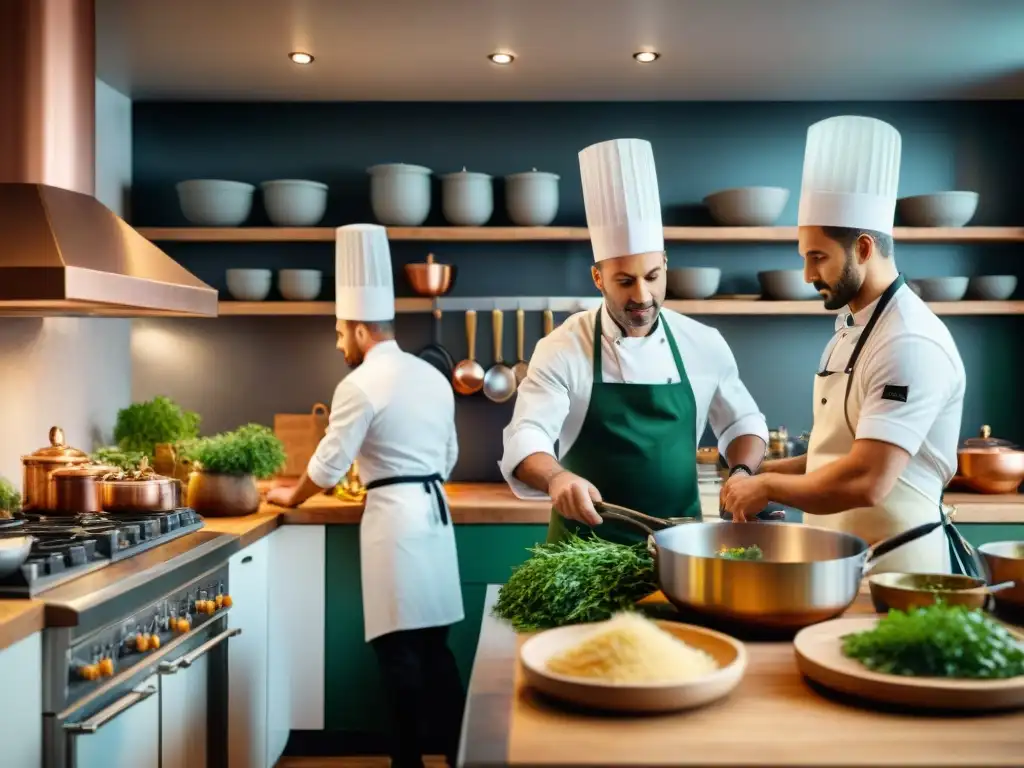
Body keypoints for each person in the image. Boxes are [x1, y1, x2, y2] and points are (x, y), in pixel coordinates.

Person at [720, 115, 976, 575]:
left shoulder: (909, 341)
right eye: (804, 258)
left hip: (900, 572)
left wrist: (767, 489)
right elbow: (832, 456)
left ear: (862, 248)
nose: (806, 275)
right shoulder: (850, 330)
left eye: (818, 257)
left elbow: (867, 479)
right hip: (844, 563)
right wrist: (759, 475)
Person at [500, 137, 770, 545]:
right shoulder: (562, 347)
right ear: (598, 278)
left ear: (665, 265)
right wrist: (556, 477)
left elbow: (741, 422)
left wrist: (744, 474)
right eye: (624, 281)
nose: (642, 296)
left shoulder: (703, 342)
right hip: (580, 558)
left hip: (679, 550)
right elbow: (528, 433)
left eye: (652, 277)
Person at [266, 224, 465, 768]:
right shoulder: (432, 376)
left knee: (397, 655)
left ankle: (406, 764)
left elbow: (328, 468)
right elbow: (447, 456)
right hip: (434, 514)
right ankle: (457, 755)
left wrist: (291, 497)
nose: (336, 344)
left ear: (356, 329)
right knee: (435, 650)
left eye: (337, 332)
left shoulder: (357, 385)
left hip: (395, 522)